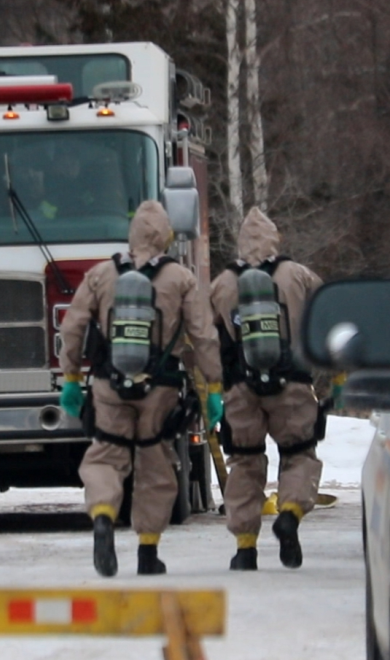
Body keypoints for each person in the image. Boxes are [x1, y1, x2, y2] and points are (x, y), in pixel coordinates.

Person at [58, 200, 223, 577]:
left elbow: (73, 327)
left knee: (105, 456)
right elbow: (203, 335)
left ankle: (102, 517)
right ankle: (148, 552)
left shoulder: (101, 274)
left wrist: (70, 378)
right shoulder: (180, 278)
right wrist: (213, 387)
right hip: (160, 388)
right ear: (165, 236)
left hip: (108, 383)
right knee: (155, 463)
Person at [209, 206, 338, 571]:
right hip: (292, 384)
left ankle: (245, 548)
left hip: (239, 389)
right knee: (299, 454)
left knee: (245, 464)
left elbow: (203, 336)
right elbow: (330, 317)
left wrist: (211, 389)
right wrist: (339, 375)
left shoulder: (223, 284)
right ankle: (290, 515)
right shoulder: (297, 275)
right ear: (274, 240)